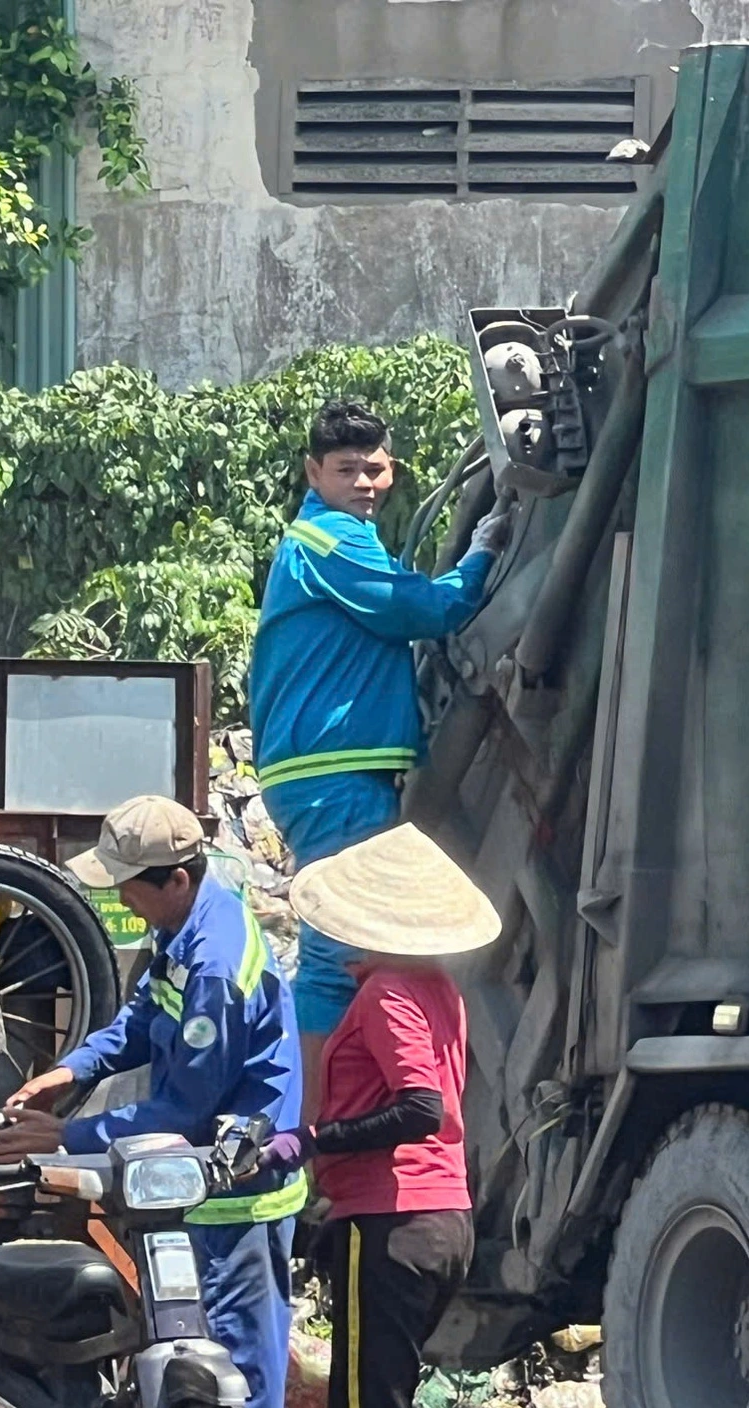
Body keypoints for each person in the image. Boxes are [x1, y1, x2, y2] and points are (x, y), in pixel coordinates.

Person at [1, 795, 304, 1408]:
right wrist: (75, 1069)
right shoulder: (188, 927)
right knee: (177, 1366)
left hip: (237, 1195)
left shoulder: (216, 966)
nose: (125, 901)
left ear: (175, 877)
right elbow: (141, 1020)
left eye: (131, 886)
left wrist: (67, 1137)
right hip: (188, 1188)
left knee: (234, 1374)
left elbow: (184, 1111)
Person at [262, 822, 511, 1408]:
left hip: (394, 1220)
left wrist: (317, 1139)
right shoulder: (438, 990)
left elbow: (419, 1112)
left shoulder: (386, 997)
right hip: (438, 1218)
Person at [248, 397, 511, 1113]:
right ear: (314, 472)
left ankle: (319, 1122)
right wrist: (481, 556)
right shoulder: (330, 539)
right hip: (331, 770)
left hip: (322, 770)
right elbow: (419, 610)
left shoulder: (330, 538)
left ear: (392, 470)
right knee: (341, 951)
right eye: (346, 470)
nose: (363, 482)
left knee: (344, 948)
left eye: (373, 469)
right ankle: (308, 1134)